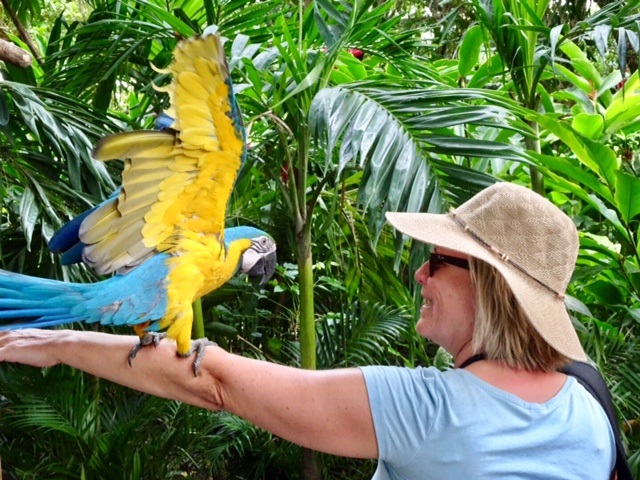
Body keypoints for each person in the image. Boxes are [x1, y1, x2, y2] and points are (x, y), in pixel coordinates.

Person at [0, 182, 615, 478]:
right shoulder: (591, 410)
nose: (421, 273)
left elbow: (213, 383)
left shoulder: (431, 410)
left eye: (440, 260)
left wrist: (58, 342)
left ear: (487, 286)